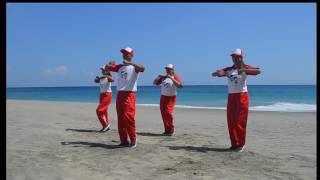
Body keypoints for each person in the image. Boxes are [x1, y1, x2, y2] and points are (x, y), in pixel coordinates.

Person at [212, 48, 261, 152]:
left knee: (240, 121)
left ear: (241, 57)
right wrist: (218, 73)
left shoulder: (245, 67)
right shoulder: (229, 69)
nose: (234, 58)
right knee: (231, 121)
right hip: (231, 96)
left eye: (236, 57)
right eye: (233, 57)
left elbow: (258, 71)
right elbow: (214, 74)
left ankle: (241, 144)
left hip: (242, 95)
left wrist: (244, 70)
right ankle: (234, 144)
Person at [107, 47, 145, 148]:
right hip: (120, 94)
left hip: (130, 94)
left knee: (129, 118)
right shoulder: (119, 67)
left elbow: (143, 68)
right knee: (121, 118)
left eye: (127, 53)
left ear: (131, 55)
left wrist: (131, 63)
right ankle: (124, 141)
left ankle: (133, 139)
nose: (124, 55)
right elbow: (107, 67)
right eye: (123, 53)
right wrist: (109, 64)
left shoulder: (134, 67)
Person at [153, 64, 183, 136]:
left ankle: (171, 129)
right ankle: (167, 130)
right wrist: (158, 77)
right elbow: (155, 83)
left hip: (171, 97)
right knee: (163, 114)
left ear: (172, 70)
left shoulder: (175, 77)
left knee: (168, 113)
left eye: (169, 69)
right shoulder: (164, 78)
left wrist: (171, 78)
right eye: (167, 69)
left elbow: (180, 86)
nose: (167, 70)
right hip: (163, 97)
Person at [94, 64, 114, 132]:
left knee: (99, 110)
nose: (102, 71)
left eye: (103, 70)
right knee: (104, 111)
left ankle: (105, 125)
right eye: (102, 70)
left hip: (107, 94)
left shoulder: (108, 77)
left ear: (107, 70)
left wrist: (105, 75)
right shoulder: (102, 78)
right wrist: (97, 79)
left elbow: (112, 80)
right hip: (102, 95)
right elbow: (96, 81)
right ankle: (106, 126)